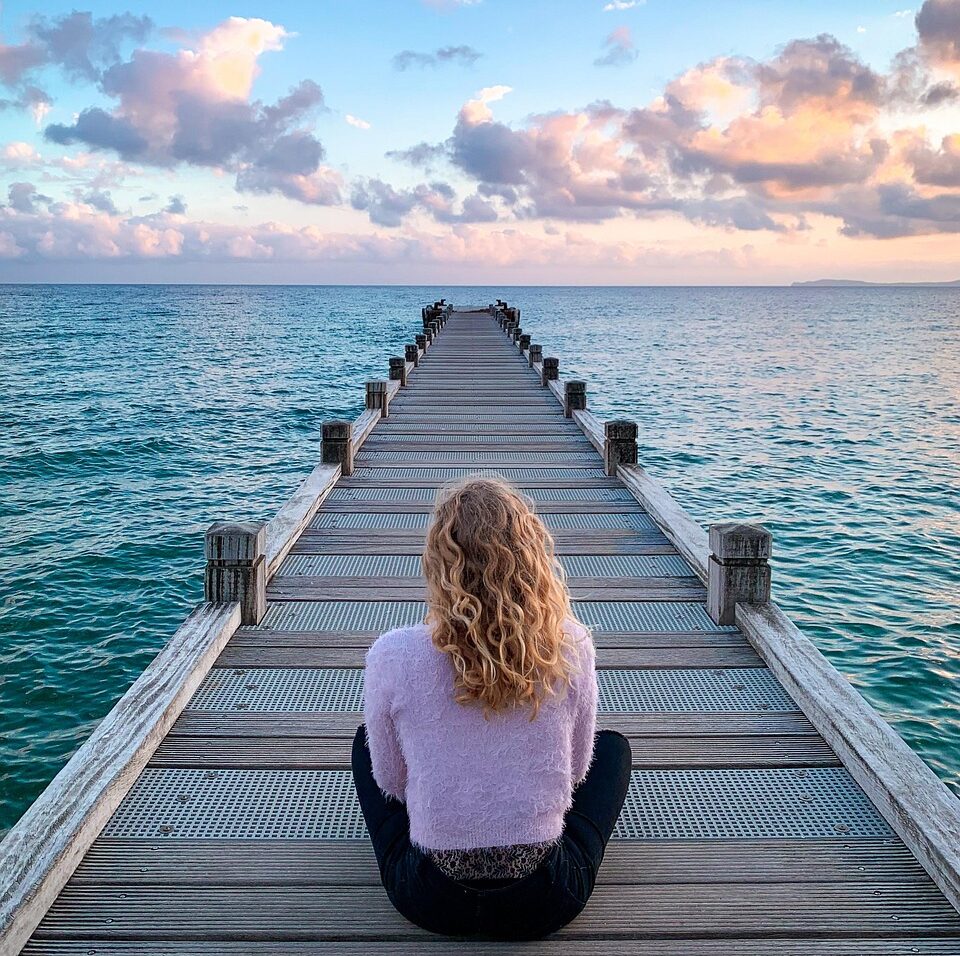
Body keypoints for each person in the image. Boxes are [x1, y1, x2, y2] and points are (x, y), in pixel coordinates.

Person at [351, 476, 632, 939]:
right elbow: (578, 771)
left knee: (366, 743)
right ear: (532, 560)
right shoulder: (571, 645)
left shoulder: (393, 653)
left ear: (438, 565)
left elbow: (391, 783)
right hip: (545, 900)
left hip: (429, 899)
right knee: (614, 750)